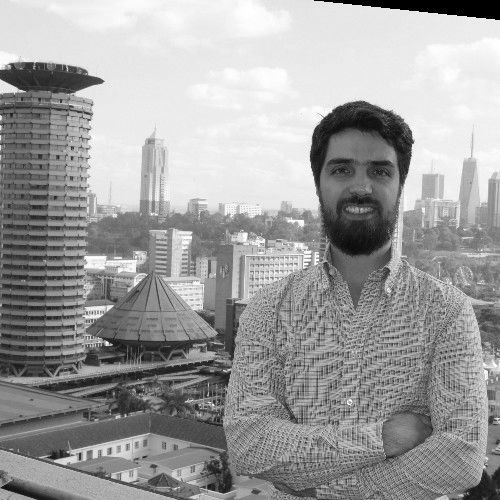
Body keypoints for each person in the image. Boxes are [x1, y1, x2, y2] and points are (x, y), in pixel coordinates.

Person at [223, 101, 488, 500]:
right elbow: (249, 443)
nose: (361, 187)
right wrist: (384, 439)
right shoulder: (270, 308)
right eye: (342, 169)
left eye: (380, 171)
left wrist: (328, 488)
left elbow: (461, 457)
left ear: (400, 185)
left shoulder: (446, 310)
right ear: (319, 184)